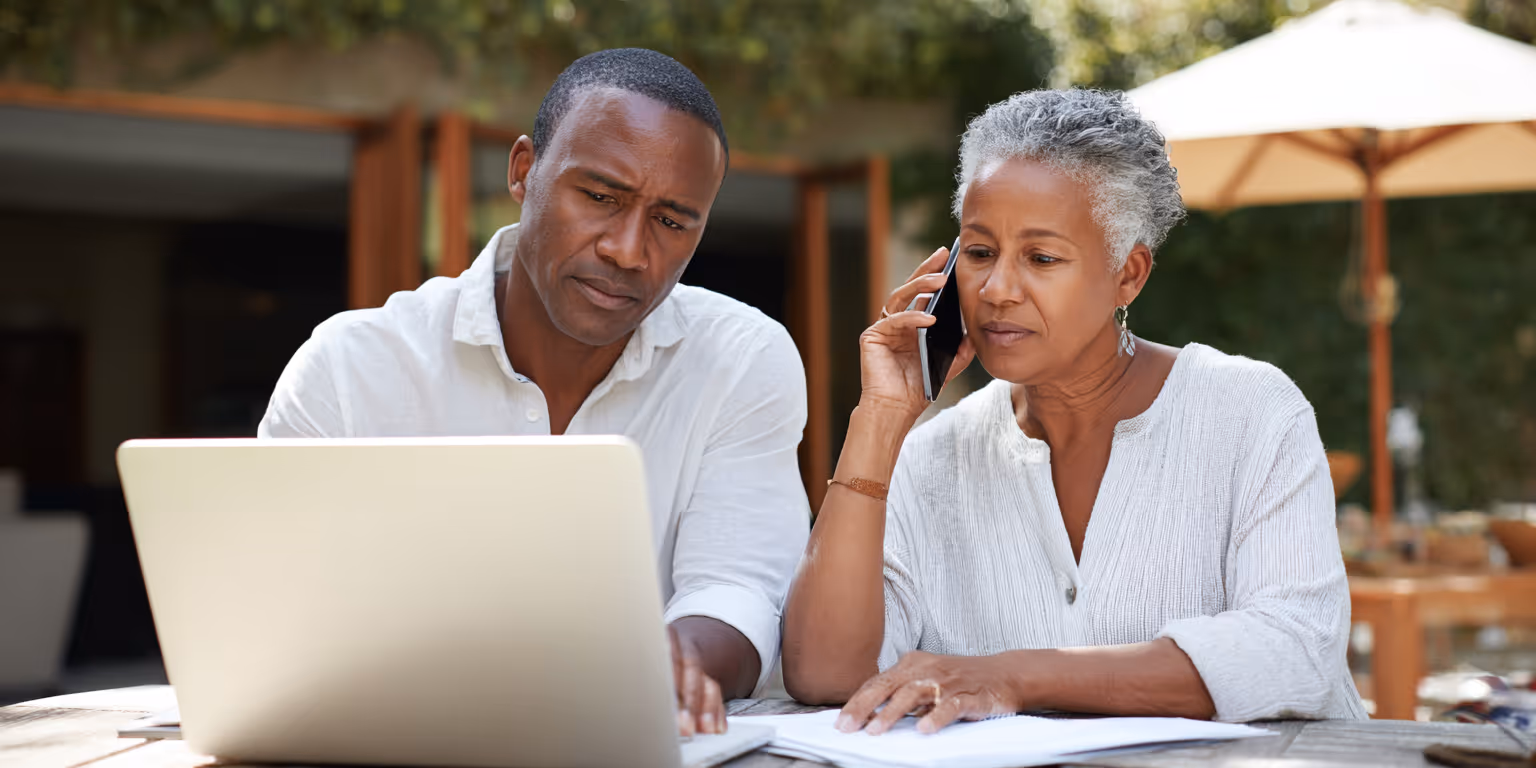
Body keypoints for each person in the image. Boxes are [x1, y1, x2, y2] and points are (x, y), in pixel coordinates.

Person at [259, 48, 810, 737]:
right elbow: (276, 611)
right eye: (601, 197)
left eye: (672, 221)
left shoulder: (742, 358)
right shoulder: (352, 367)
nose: (629, 251)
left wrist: (668, 665)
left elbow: (740, 586)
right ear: (524, 172)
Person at [781, 89, 1367, 733]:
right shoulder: (929, 458)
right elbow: (823, 675)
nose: (997, 289)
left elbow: (1293, 652)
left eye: (1041, 258)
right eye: (978, 253)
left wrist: (1013, 675)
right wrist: (879, 420)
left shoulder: (1252, 412)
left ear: (1129, 274)